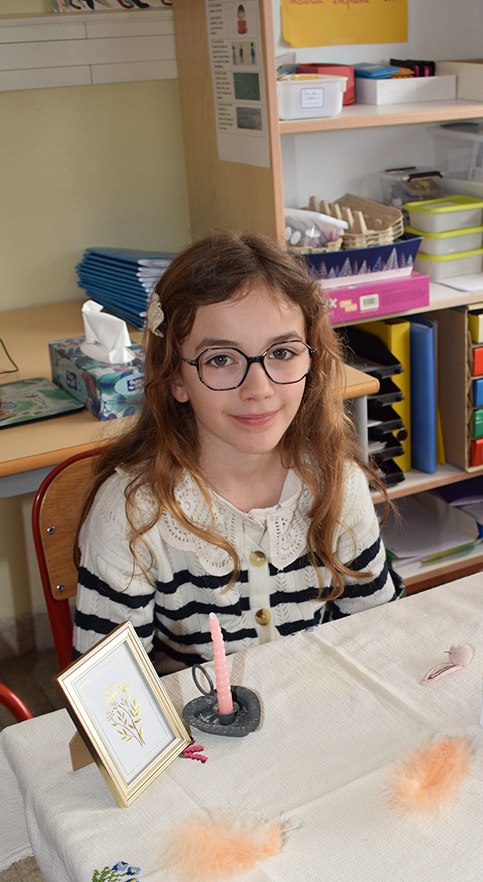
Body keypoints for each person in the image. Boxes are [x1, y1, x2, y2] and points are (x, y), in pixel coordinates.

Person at [73, 232, 404, 673]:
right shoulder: (132, 514)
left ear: (311, 361)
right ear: (176, 378)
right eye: (220, 359)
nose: (259, 389)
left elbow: (379, 631)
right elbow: (111, 688)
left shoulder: (337, 481)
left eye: (282, 352)